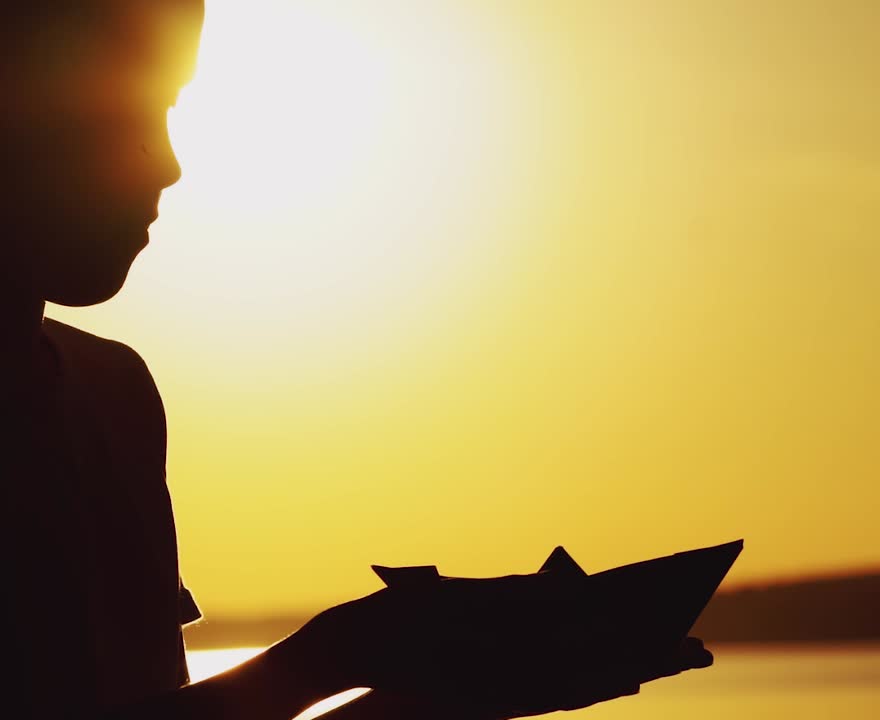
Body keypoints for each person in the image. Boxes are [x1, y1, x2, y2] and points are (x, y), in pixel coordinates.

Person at [0, 2, 712, 718]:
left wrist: (431, 696)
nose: (172, 164)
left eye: (169, 109)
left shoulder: (114, 397)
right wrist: (331, 658)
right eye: (121, 114)